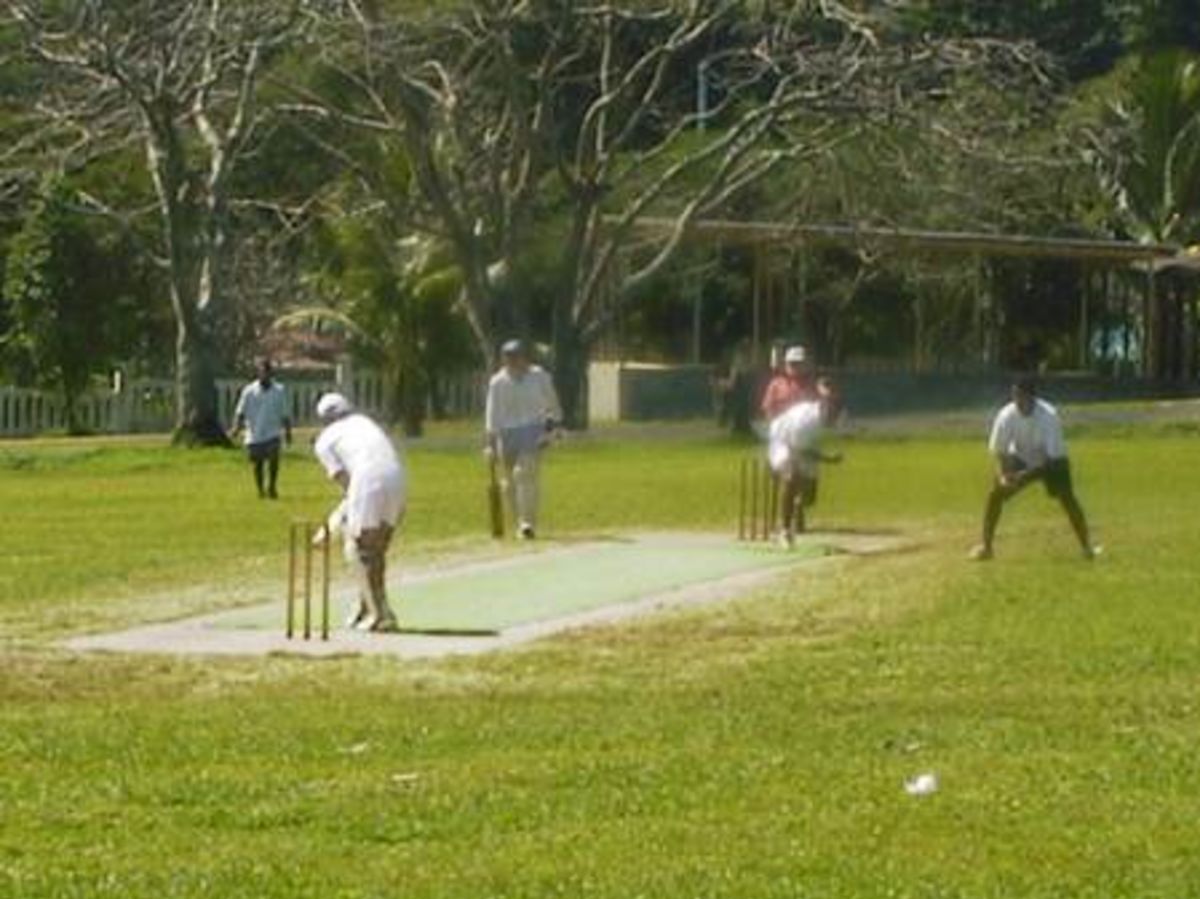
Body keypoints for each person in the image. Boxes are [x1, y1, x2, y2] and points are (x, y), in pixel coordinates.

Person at [970, 378, 1098, 561]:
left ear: (1033, 398)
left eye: (1022, 397)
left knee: (1067, 498)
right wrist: (1004, 476)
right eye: (1015, 396)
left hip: (1052, 462)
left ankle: (1087, 548)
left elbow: (1051, 460)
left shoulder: (1049, 416)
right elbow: (1000, 452)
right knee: (995, 494)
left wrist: (1023, 476)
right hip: (1021, 457)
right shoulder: (1006, 415)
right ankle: (986, 548)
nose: (1018, 402)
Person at [313, 392, 405, 632]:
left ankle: (380, 614)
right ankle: (368, 608)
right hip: (396, 476)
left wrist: (330, 526)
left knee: (358, 549)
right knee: (377, 549)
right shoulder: (365, 422)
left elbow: (348, 485)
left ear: (323, 420)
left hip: (367, 479)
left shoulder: (325, 440)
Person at [484, 340, 563, 540]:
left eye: (516, 357)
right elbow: (492, 415)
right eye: (508, 358)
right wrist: (490, 445)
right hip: (506, 433)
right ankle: (520, 522)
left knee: (524, 474)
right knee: (509, 483)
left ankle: (528, 523)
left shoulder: (539, 376)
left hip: (533, 430)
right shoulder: (497, 382)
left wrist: (553, 429)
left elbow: (553, 405)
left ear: (524, 357)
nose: (512, 362)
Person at [766, 377, 843, 548]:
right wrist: (828, 459)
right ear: (822, 408)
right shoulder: (805, 422)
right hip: (783, 441)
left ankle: (796, 508)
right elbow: (799, 451)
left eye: (835, 414)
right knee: (791, 477)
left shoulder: (828, 414)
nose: (833, 419)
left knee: (809, 497)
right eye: (831, 414)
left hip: (805, 445)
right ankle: (784, 531)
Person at [231, 359, 292, 499]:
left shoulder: (279, 390)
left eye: (267, 373)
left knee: (273, 459)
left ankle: (272, 486)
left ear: (271, 374)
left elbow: (285, 413)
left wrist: (288, 433)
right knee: (257, 464)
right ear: (258, 374)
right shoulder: (249, 391)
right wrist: (236, 428)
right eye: (262, 372)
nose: (265, 375)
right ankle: (260, 489)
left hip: (273, 432)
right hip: (254, 432)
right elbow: (240, 411)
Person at [760, 345, 813, 421]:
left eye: (798, 363)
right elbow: (768, 408)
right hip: (780, 424)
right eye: (792, 363)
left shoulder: (810, 385)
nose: (794, 366)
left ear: (804, 365)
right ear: (785, 364)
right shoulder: (776, 384)